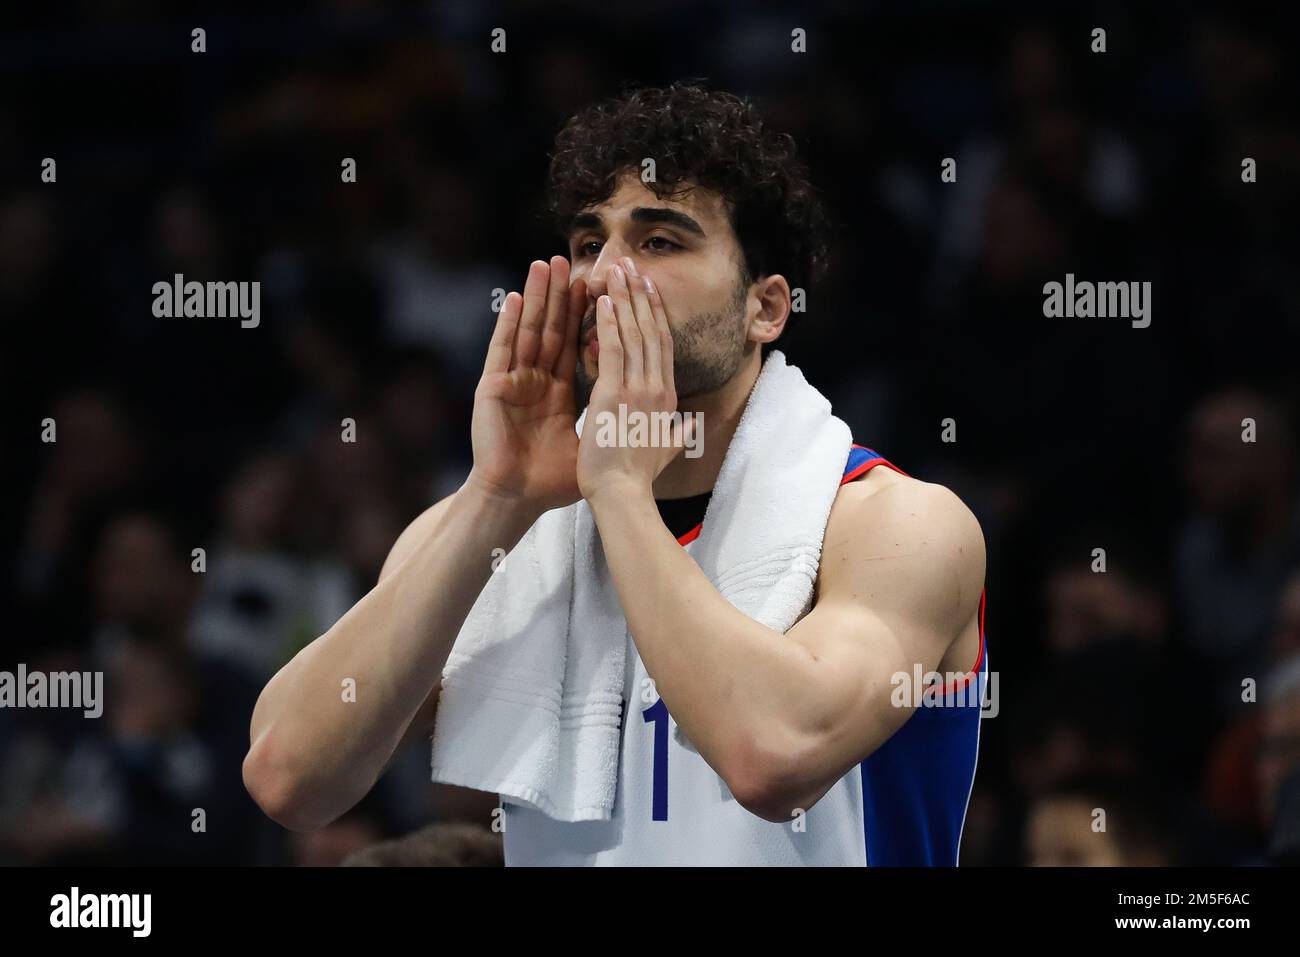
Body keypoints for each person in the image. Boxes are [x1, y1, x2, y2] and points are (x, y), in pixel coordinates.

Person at [243, 82, 988, 865]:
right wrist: (496, 496)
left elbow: (771, 757)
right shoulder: (506, 526)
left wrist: (621, 489)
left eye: (660, 242)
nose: (604, 278)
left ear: (764, 309)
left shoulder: (895, 524)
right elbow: (291, 778)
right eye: (590, 244)